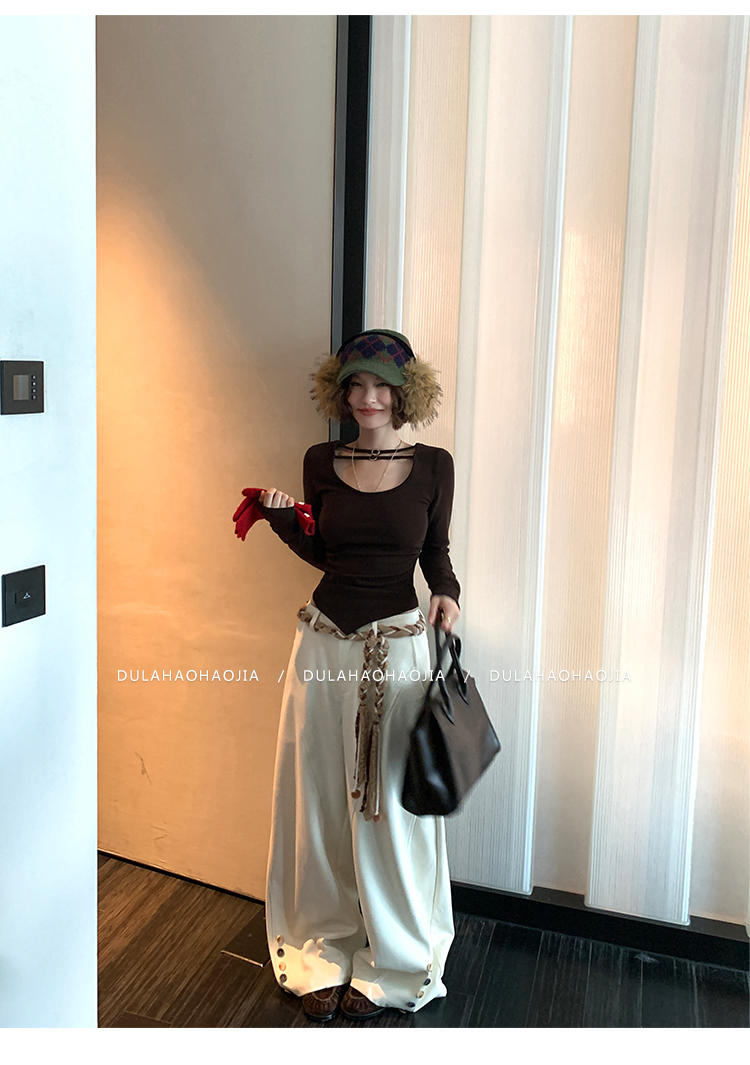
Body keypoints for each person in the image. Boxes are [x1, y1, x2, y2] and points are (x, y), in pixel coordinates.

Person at [258, 329, 461, 1022]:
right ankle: (320, 944)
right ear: (339, 392)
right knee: (319, 794)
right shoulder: (320, 459)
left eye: (382, 385)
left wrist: (448, 591)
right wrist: (283, 522)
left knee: (389, 804)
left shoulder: (434, 465)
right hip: (322, 644)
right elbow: (328, 553)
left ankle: (396, 955)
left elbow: (435, 551)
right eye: (356, 385)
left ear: (405, 394)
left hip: (398, 649)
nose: (367, 398)